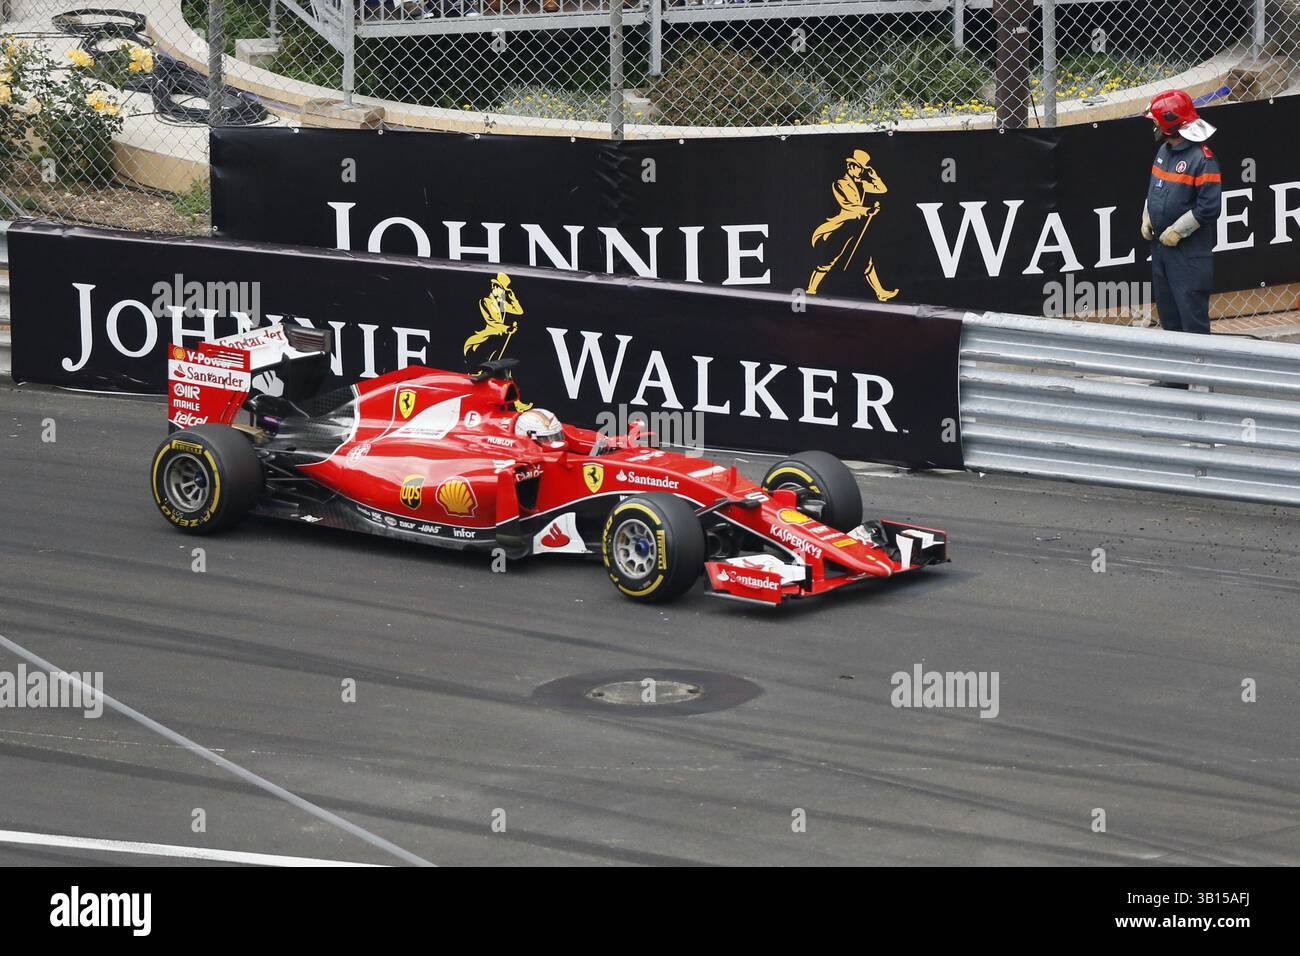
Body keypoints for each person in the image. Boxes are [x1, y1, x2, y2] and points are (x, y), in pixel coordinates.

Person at [1142, 89, 1222, 335]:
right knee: (1168, 316)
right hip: (1161, 250)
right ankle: (1173, 373)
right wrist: (1146, 216)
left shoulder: (1203, 160)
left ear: (1168, 123)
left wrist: (1178, 230)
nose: (1153, 125)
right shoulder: (1164, 151)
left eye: (1156, 120)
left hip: (1188, 256)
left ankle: (1199, 371)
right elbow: (1154, 190)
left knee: (1192, 320)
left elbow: (1209, 208)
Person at [806, 149, 898, 301]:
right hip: (842, 226)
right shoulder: (839, 184)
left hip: (857, 226)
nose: (853, 169)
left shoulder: (862, 184)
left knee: (866, 260)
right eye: (852, 165)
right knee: (829, 260)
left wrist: (873, 175)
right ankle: (810, 290)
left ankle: (880, 292)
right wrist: (868, 210)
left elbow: (882, 189)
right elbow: (848, 206)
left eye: (858, 167)